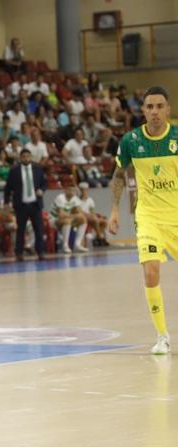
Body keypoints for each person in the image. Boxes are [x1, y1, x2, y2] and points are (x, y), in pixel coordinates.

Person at [108, 86, 178, 354]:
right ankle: (162, 335)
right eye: (149, 107)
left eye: (160, 106)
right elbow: (118, 175)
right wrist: (114, 209)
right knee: (150, 270)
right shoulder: (131, 140)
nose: (155, 111)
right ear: (144, 110)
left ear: (168, 109)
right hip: (148, 217)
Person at [4, 149, 46, 262]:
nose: (26, 158)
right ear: (20, 158)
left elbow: (43, 183)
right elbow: (8, 188)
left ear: (31, 157)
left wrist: (42, 190)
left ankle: (40, 252)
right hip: (21, 205)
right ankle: (19, 253)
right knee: (20, 230)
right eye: (24, 156)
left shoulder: (37, 169)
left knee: (38, 229)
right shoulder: (14, 171)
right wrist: (6, 202)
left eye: (28, 156)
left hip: (35, 204)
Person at [50, 185, 88, 254]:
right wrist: (75, 215)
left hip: (67, 219)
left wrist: (79, 214)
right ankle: (65, 245)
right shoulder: (60, 197)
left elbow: (80, 212)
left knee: (83, 220)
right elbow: (61, 215)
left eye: (74, 190)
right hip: (54, 220)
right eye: (70, 190)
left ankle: (77, 244)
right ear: (66, 190)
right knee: (67, 221)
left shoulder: (75, 198)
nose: (72, 192)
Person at [77, 182, 108, 247]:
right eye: (82, 190)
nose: (84, 191)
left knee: (104, 222)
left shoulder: (90, 200)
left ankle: (97, 238)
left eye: (85, 190)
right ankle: (100, 237)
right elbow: (79, 211)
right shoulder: (76, 200)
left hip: (91, 218)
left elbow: (92, 212)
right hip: (82, 218)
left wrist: (92, 215)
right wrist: (90, 216)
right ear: (80, 190)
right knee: (95, 220)